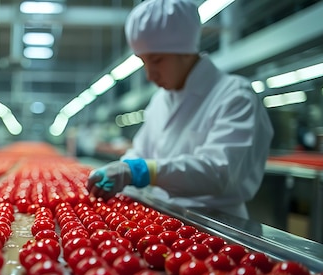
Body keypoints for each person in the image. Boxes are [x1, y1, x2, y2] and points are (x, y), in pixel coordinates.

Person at [86, 0, 274, 219]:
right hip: (163, 218)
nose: (149, 75)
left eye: (156, 60)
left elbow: (220, 173)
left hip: (217, 225)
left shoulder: (235, 96)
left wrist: (142, 171)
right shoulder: (160, 100)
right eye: (143, 62)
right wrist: (122, 168)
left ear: (185, 51)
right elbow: (141, 152)